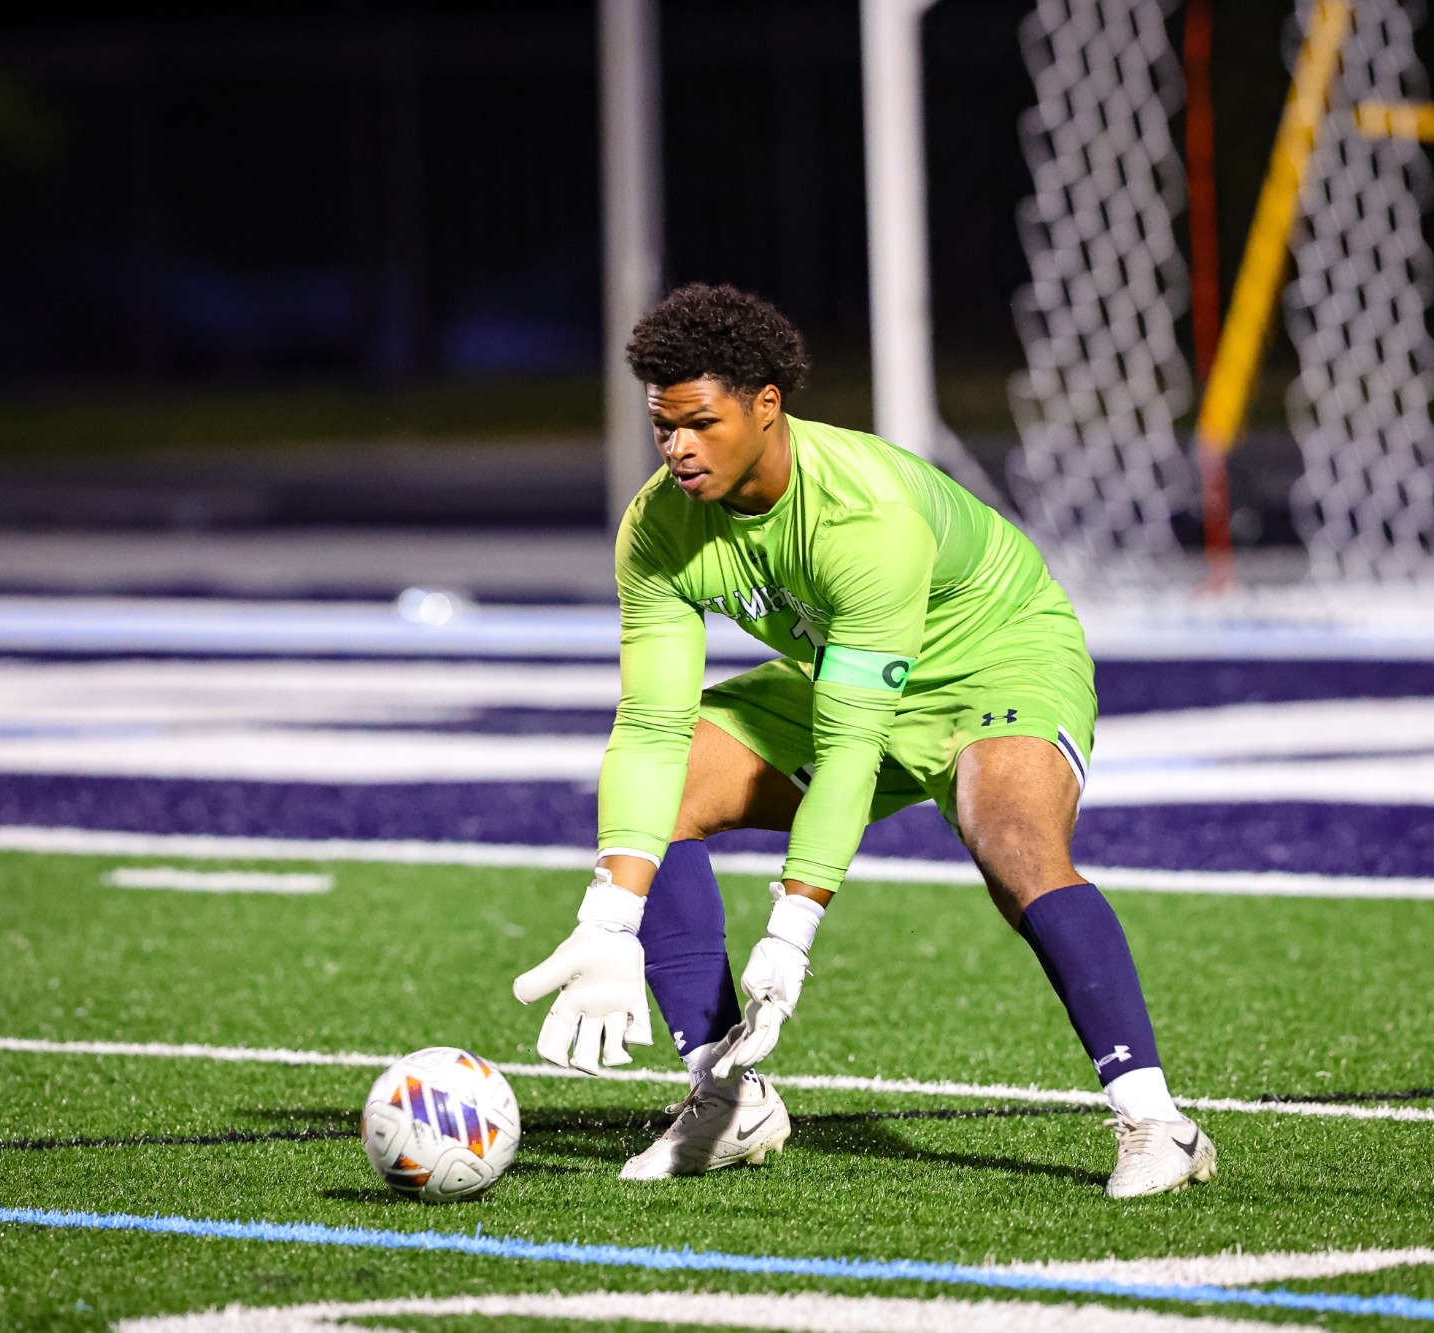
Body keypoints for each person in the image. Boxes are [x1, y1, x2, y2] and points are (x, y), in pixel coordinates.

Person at [511, 283, 1215, 1199]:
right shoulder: (657, 528)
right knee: (674, 789)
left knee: (1016, 847)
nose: (678, 447)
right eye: (663, 425)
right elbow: (648, 725)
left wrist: (791, 931)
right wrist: (609, 914)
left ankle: (1156, 1118)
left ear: (768, 405)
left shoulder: (863, 515)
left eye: (700, 422)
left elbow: (851, 746)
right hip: (843, 668)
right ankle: (724, 1095)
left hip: (990, 662)